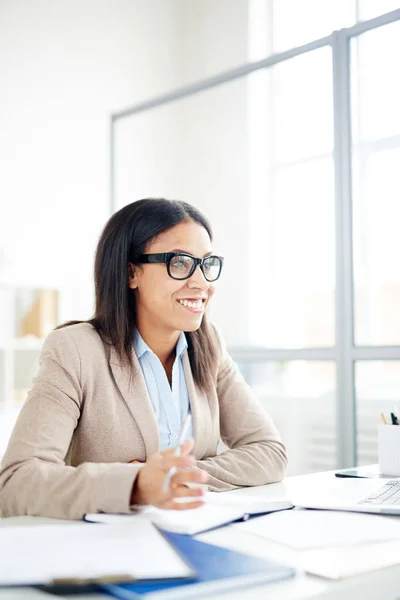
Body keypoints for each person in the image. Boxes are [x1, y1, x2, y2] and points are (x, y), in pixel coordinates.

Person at [0, 199, 287, 519]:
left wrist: (170, 480)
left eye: (206, 264)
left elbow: (270, 452)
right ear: (131, 273)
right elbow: (16, 482)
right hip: (105, 550)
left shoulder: (209, 345)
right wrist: (135, 486)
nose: (201, 282)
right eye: (180, 263)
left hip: (197, 531)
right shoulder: (75, 350)